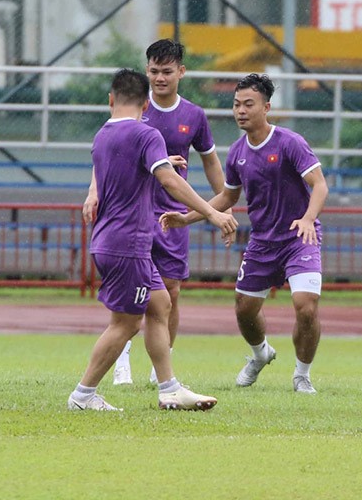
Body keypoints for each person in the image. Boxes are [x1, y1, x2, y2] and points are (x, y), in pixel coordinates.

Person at [69, 68, 237, 412]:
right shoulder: (146, 135)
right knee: (127, 323)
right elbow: (170, 183)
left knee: (160, 306)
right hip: (128, 243)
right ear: (146, 105)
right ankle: (82, 396)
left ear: (111, 100)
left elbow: (128, 170)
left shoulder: (103, 135)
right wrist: (213, 213)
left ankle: (169, 388)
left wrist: (161, 162)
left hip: (113, 240)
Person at [161, 74, 328, 394]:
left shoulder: (290, 142)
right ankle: (259, 353)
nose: (240, 110)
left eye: (248, 104)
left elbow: (319, 184)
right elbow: (227, 197)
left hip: (298, 238)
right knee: (244, 309)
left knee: (306, 306)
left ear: (266, 107)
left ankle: (302, 374)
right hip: (262, 243)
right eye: (236, 104)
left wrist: (308, 219)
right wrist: (186, 219)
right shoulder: (237, 152)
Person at [108, 39, 227, 386]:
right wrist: (94, 192)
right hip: (135, 211)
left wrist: (224, 199)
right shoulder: (134, 110)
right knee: (131, 288)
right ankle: (122, 357)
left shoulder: (194, 115)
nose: (160, 78)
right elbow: (109, 155)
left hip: (174, 216)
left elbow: (210, 160)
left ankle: (162, 365)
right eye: (154, 71)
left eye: (167, 71)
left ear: (181, 72)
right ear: (147, 71)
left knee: (171, 292)